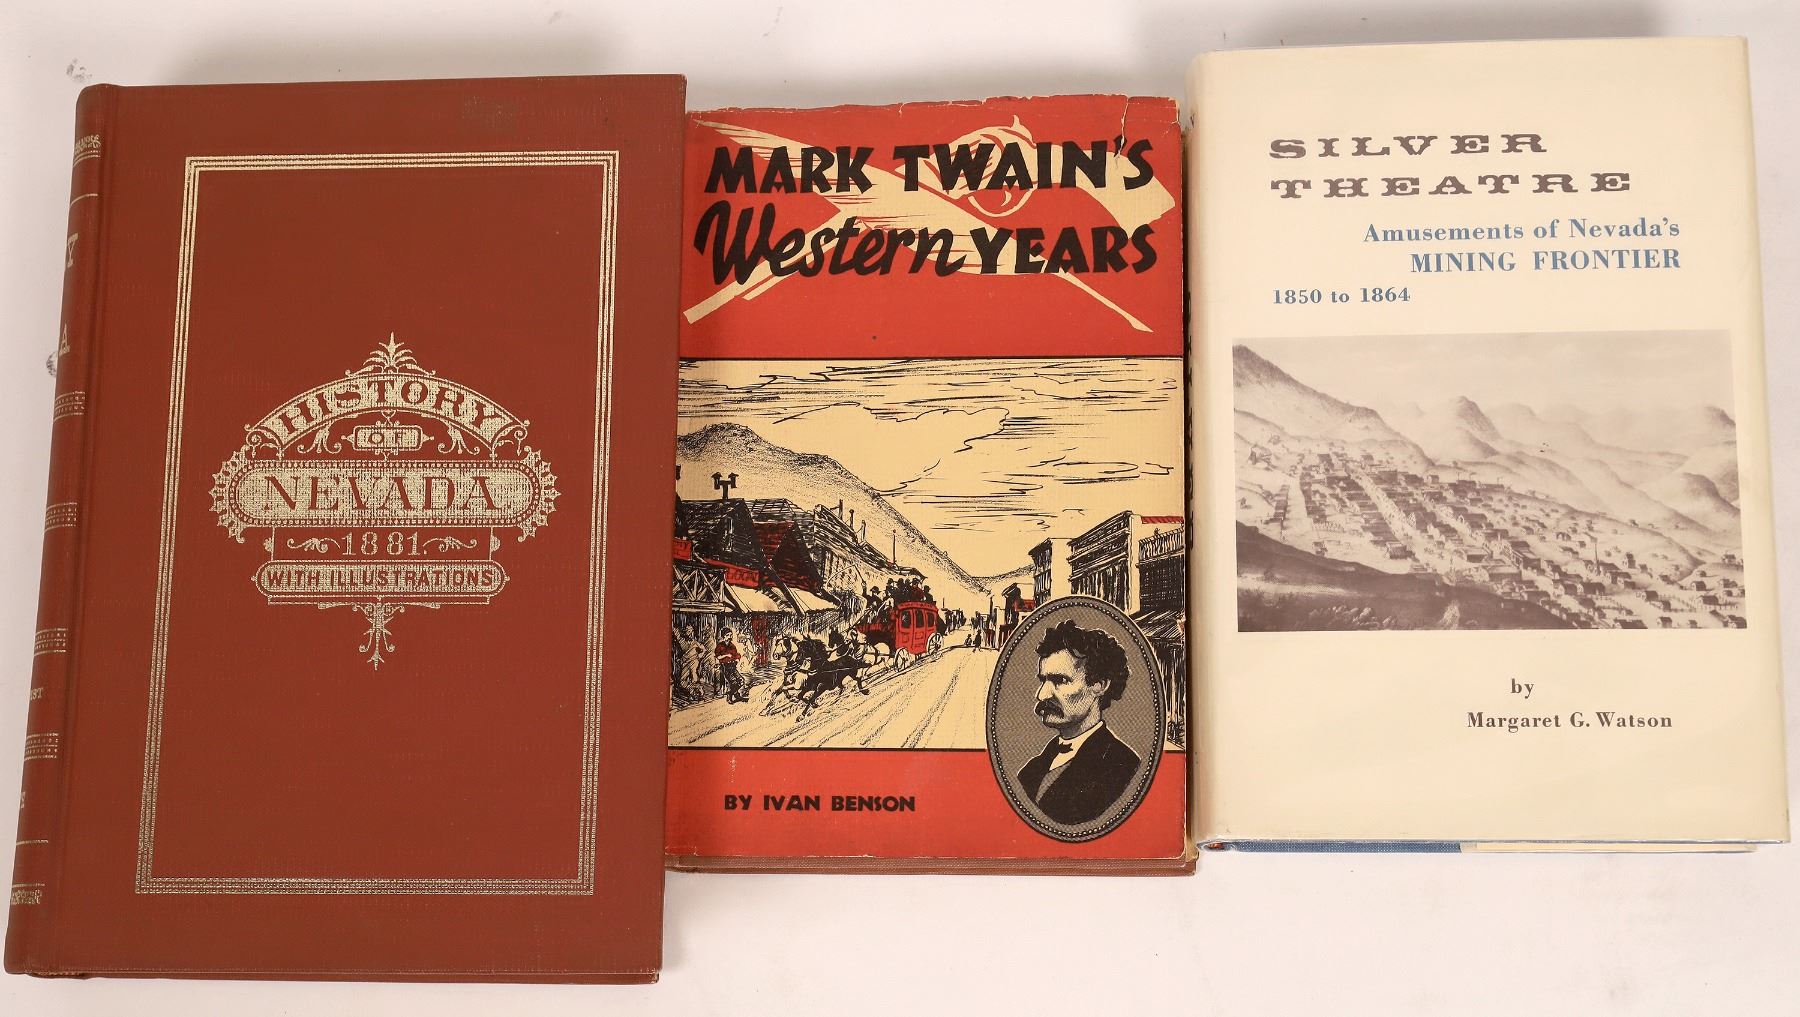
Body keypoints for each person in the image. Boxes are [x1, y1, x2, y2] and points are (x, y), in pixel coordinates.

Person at [1015, 619, 1141, 826]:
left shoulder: (1124, 767)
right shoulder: (1031, 769)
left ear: (1099, 685)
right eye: (1043, 680)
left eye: (1060, 680)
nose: (1042, 695)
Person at [715, 627, 747, 704]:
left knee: (741, 680)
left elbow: (736, 654)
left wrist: (737, 659)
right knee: (733, 682)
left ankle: (735, 694)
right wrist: (726, 655)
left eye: (731, 635)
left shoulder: (732, 645)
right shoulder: (720, 646)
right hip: (725, 667)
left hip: (732, 666)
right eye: (728, 635)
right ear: (723, 636)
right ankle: (730, 695)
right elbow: (718, 657)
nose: (730, 637)